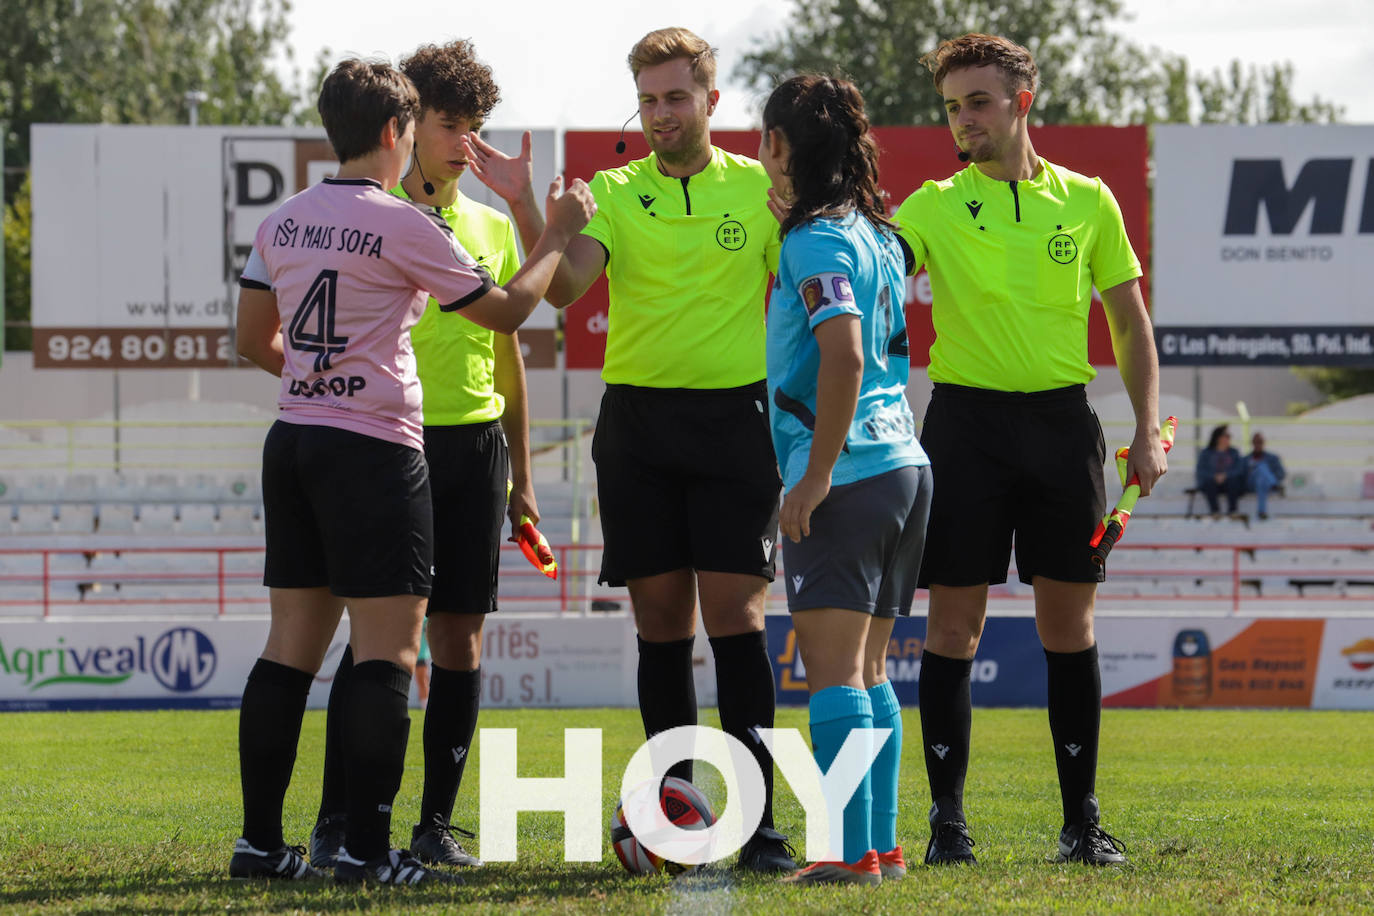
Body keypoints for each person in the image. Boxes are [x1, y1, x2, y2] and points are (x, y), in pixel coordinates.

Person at [230, 57, 594, 885]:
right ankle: (364, 849)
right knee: (389, 656)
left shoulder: (284, 219)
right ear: (397, 132)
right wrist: (558, 235)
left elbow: (253, 341)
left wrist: (319, 380)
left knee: (289, 648)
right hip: (375, 448)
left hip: (295, 441)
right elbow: (506, 309)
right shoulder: (399, 221)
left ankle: (259, 845)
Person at [460, 26, 795, 871]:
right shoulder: (612, 188)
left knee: (738, 620)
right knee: (660, 627)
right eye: (647, 100)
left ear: (713, 102)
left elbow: (804, 287)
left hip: (735, 424)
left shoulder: (761, 188)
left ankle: (757, 824)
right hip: (639, 429)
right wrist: (527, 205)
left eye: (676, 97)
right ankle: (677, 812)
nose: (660, 114)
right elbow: (566, 290)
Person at [892, 34, 1167, 867]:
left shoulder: (1089, 200)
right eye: (951, 107)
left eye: (977, 102)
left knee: (1069, 628)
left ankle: (1081, 823)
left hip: (1062, 429)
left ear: (1022, 100)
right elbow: (868, 275)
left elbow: (1129, 324)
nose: (962, 120)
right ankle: (948, 824)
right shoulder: (932, 204)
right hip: (964, 427)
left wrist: (1147, 427)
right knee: (952, 629)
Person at [308, 39, 537, 875]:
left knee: (460, 642)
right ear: (409, 123)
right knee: (374, 646)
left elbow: (508, 355)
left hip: (473, 448)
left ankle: (435, 824)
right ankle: (338, 821)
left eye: (477, 127)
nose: (466, 144)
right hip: (385, 440)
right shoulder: (372, 213)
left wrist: (522, 476)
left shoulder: (493, 224)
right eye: (449, 124)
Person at [757, 75, 932, 887]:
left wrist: (812, 476)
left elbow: (845, 354)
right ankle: (881, 848)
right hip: (902, 466)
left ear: (785, 149)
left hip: (851, 472)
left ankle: (843, 853)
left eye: (768, 141)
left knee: (833, 676)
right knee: (869, 672)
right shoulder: (874, 233)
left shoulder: (815, 242)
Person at [1195, 425, 1244, 517]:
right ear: (1218, 438)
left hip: (1229, 482)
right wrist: (1214, 476)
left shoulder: (1234, 452)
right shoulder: (1206, 453)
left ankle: (1233, 511)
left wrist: (1226, 475)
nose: (1229, 438)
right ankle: (1215, 511)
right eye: (1227, 436)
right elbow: (1201, 470)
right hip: (1212, 483)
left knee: (1234, 482)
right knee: (1209, 483)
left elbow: (1239, 469)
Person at [1244, 432, 1285, 520]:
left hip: (1264, 485)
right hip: (1251, 484)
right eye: (1256, 442)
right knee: (1261, 467)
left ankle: (1261, 511)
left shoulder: (1273, 458)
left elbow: (1281, 473)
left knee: (1261, 478)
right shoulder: (1245, 459)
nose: (1258, 444)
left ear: (1264, 442)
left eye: (1260, 441)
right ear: (1252, 443)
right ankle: (1274, 484)